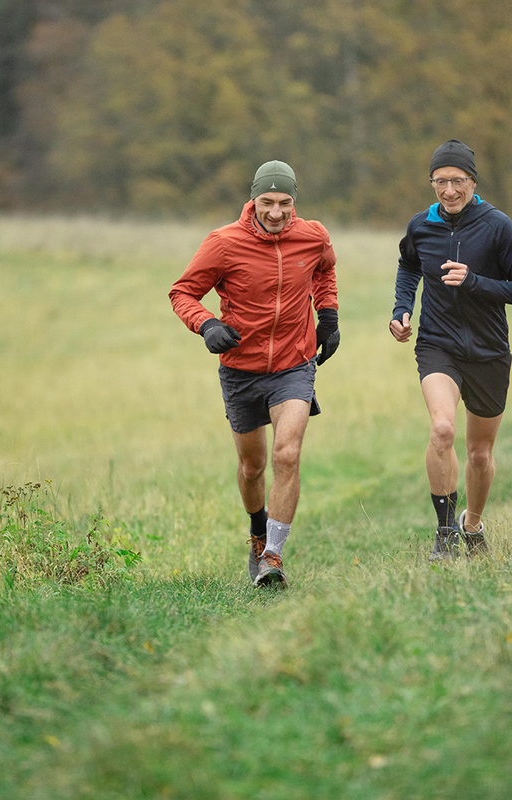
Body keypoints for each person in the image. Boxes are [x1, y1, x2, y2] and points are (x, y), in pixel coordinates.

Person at [169, 160, 339, 588]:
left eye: (285, 203)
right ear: (254, 199)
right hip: (241, 370)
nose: (277, 212)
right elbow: (183, 291)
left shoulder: (313, 235)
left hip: (293, 364)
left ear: (294, 201)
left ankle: (274, 557)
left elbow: (325, 271)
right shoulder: (224, 243)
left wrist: (329, 316)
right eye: (268, 202)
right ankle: (257, 532)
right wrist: (207, 325)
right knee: (252, 466)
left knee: (287, 454)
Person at [389, 139, 512, 560]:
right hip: (438, 344)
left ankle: (472, 524)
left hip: (489, 351)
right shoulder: (421, 225)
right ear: (431, 183)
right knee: (442, 430)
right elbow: (408, 264)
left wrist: (474, 281)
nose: (449, 191)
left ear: (473, 181)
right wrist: (402, 308)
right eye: (440, 182)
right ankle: (445, 533)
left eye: (457, 181)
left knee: (479, 452)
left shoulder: (497, 226)